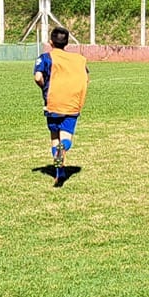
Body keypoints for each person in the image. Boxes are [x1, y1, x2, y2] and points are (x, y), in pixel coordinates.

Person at [33, 26, 89, 186]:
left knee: (54, 139)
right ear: (67, 43)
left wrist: (45, 88)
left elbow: (38, 77)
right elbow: (85, 77)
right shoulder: (78, 59)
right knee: (66, 139)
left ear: (51, 42)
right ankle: (63, 152)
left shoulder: (45, 57)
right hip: (72, 103)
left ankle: (60, 172)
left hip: (53, 104)